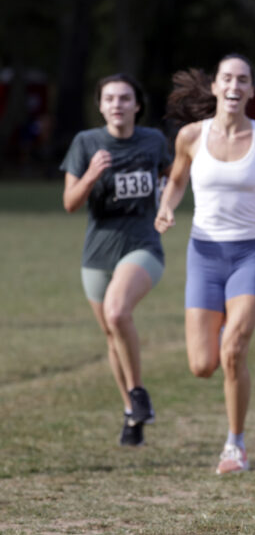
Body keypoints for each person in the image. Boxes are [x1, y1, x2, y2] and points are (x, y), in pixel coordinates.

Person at [155, 54, 255, 475]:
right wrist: (166, 208)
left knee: (233, 352)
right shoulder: (190, 137)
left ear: (252, 90)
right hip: (203, 255)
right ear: (216, 87)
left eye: (243, 79)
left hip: (248, 254)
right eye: (227, 78)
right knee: (202, 365)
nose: (235, 86)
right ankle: (222, 332)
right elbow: (178, 179)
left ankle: (234, 446)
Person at [61, 73, 172, 446]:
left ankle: (138, 392)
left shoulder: (154, 141)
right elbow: (70, 204)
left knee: (117, 313)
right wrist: (91, 174)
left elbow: (176, 176)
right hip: (97, 253)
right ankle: (131, 413)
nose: (117, 105)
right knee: (112, 336)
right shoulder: (86, 143)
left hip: (142, 245)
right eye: (109, 99)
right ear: (100, 105)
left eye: (124, 98)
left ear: (136, 105)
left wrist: (167, 204)